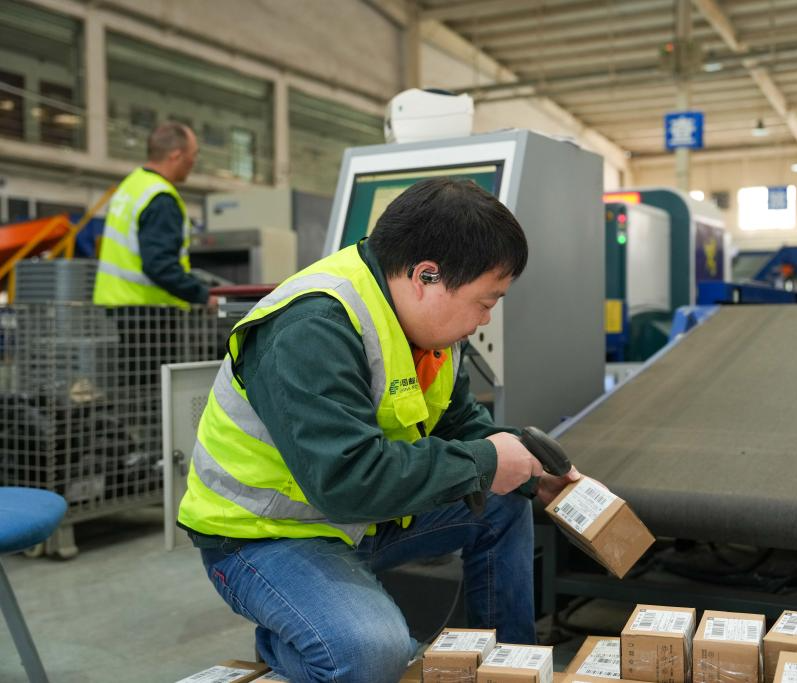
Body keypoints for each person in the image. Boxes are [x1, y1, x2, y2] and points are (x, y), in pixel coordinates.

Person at [177, 178, 581, 683]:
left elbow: (456, 422)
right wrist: (486, 461)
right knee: (375, 654)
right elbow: (348, 480)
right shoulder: (312, 327)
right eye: (485, 301)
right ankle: (289, 638)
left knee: (500, 501)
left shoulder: (427, 327)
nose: (484, 319)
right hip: (265, 536)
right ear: (426, 276)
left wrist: (527, 470)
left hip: (359, 519)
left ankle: (509, 667)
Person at [93, 121, 209, 309]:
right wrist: (202, 295)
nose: (194, 162)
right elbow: (160, 265)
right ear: (176, 155)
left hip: (120, 304)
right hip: (150, 308)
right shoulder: (160, 198)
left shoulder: (131, 184)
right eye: (193, 154)